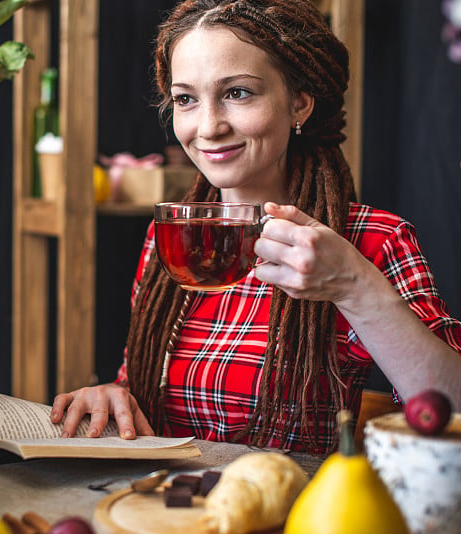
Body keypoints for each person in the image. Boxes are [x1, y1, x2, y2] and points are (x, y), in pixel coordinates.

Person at [50, 0, 461, 454]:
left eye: (238, 92)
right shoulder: (170, 238)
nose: (207, 127)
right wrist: (114, 397)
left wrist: (355, 286)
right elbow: (144, 381)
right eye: (186, 99)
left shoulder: (372, 240)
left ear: (299, 103)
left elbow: (452, 408)